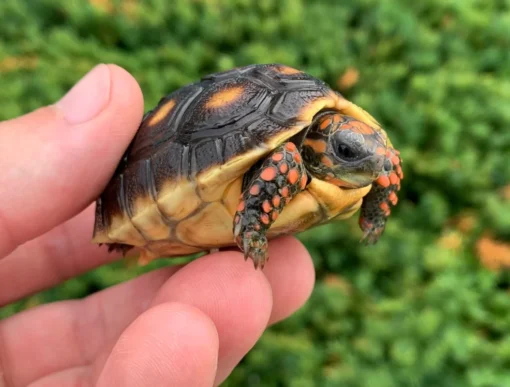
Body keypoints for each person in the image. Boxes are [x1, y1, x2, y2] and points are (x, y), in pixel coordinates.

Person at [0, 64, 315, 386]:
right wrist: (254, 225)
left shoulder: (344, 161)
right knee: (285, 160)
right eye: (344, 154)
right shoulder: (287, 156)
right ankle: (250, 221)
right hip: (199, 175)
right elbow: (283, 158)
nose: (363, 166)